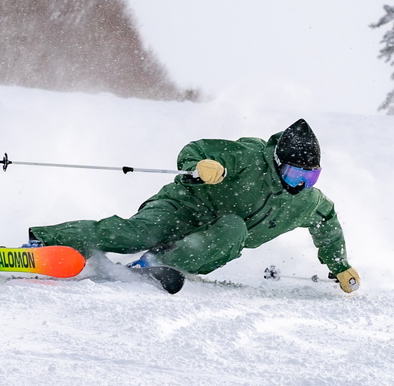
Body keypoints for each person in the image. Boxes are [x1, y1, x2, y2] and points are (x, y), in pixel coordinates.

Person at [29, 119, 361, 294]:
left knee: (234, 228)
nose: (300, 183)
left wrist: (340, 265)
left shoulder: (304, 201)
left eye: (310, 176)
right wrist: (201, 165)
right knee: (135, 234)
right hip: (182, 207)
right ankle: (44, 242)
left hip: (212, 238)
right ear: (277, 162)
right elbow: (196, 149)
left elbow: (327, 224)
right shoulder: (248, 158)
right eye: (294, 173)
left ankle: (156, 265)